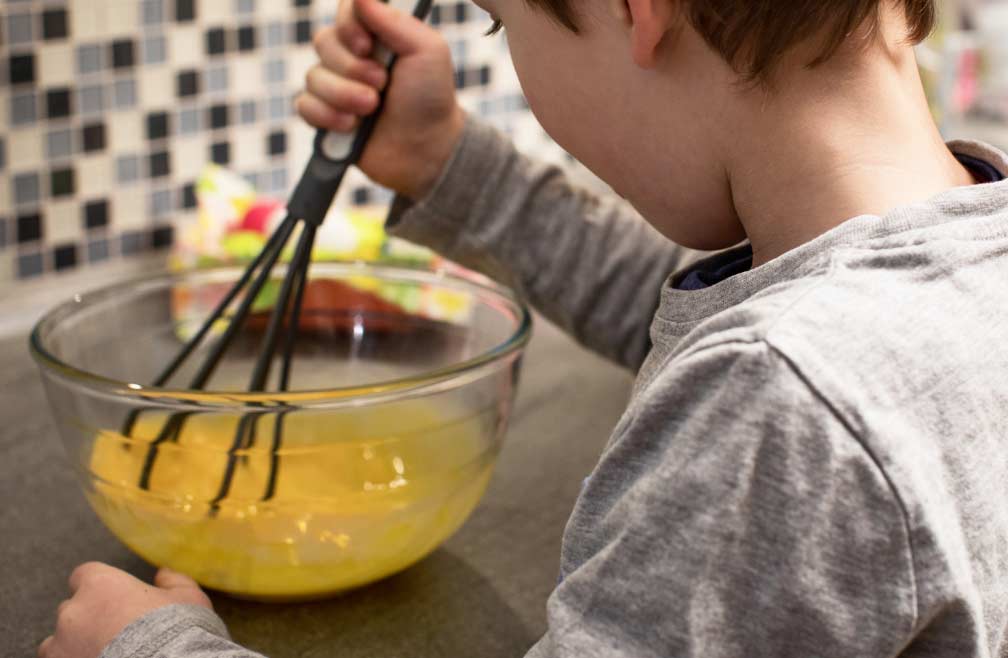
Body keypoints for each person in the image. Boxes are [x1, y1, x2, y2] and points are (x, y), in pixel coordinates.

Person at [39, 0, 1008, 656]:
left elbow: (768, 369)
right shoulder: (947, 266)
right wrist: (445, 160)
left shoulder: (787, 404)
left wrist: (156, 646)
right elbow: (694, 306)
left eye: (503, 19)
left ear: (642, 12)